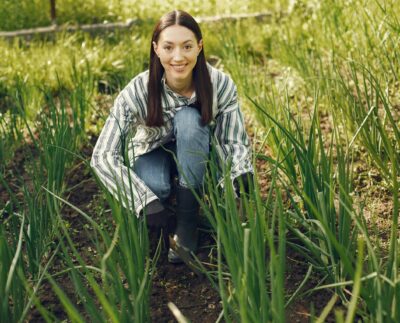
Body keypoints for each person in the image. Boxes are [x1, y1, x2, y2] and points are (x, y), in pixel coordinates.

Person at [90, 9, 253, 263]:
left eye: (187, 46)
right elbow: (102, 156)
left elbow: (232, 140)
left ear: (199, 47)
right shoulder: (138, 91)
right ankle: (162, 214)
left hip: (198, 151)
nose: (178, 57)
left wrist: (240, 171)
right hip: (151, 151)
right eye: (168, 47)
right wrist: (143, 201)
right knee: (155, 188)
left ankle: (188, 222)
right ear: (156, 49)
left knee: (189, 119)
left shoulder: (219, 84)